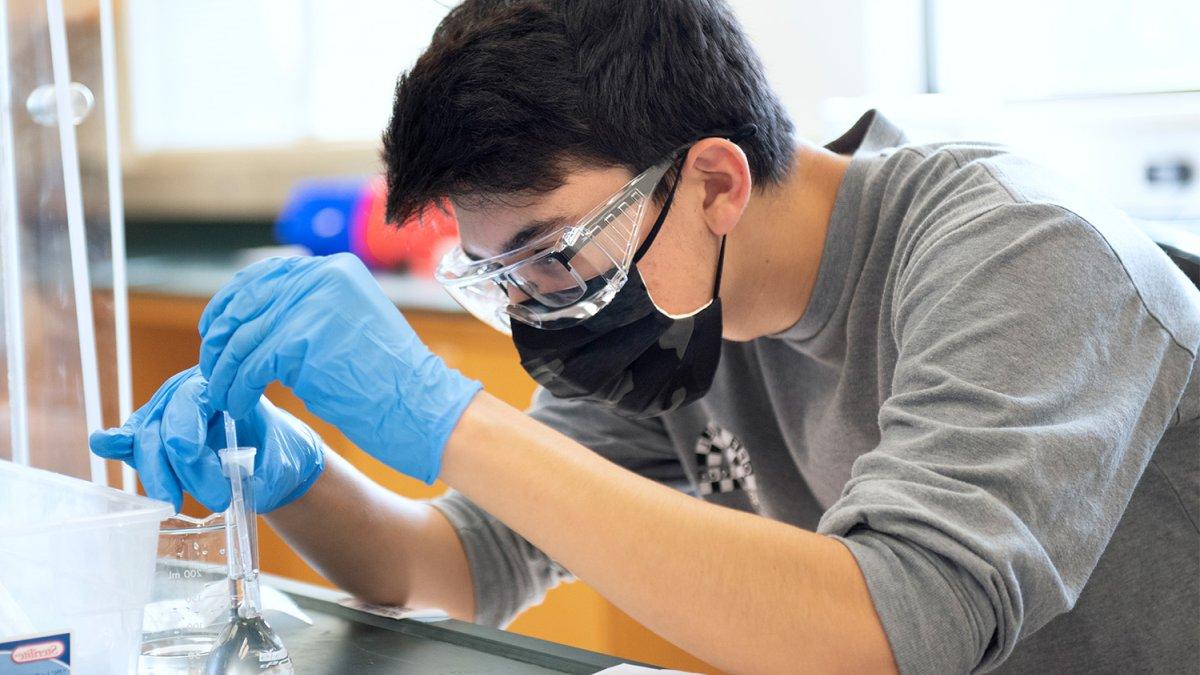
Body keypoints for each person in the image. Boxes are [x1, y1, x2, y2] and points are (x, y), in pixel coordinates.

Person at [92, 1, 1200, 672]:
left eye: (552, 256)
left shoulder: (1020, 255)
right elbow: (466, 571)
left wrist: (450, 417)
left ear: (714, 178)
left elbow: (887, 633)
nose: (537, 311)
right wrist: (294, 477)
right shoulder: (670, 313)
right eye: (500, 277)